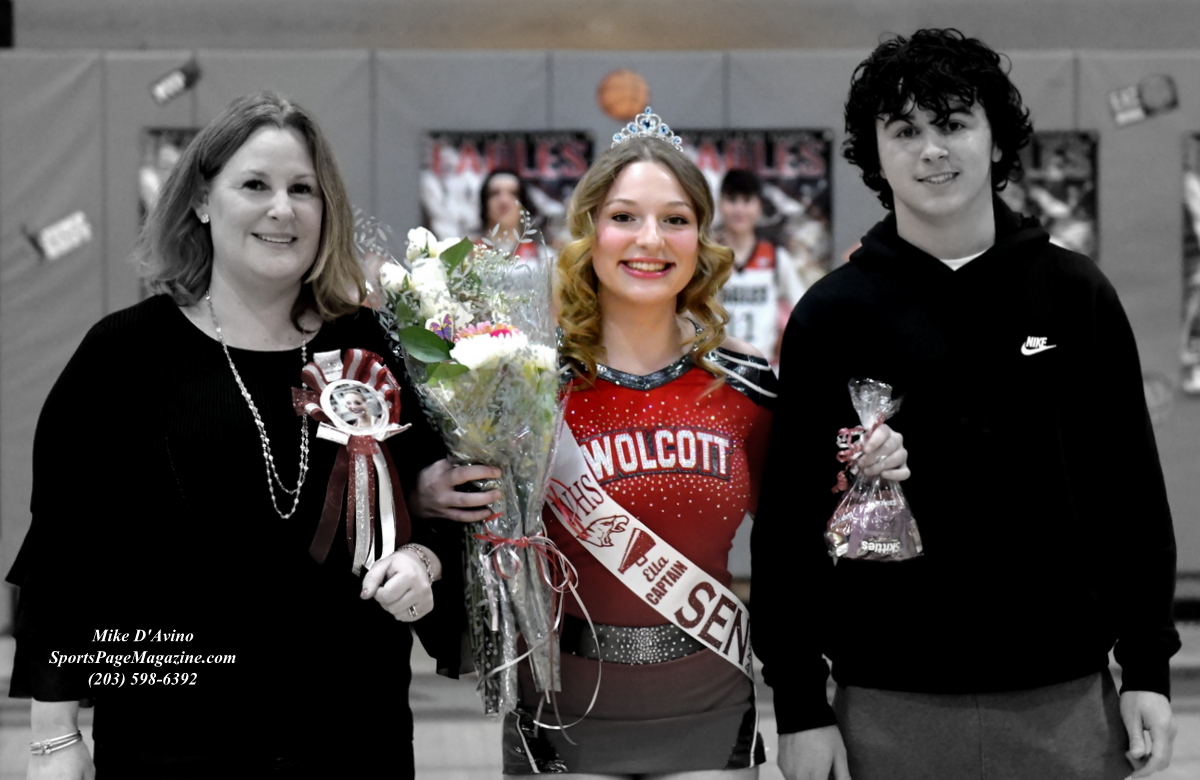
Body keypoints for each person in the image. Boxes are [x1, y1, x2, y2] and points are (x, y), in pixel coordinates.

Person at [7, 91, 501, 780]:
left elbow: (446, 506)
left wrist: (426, 560)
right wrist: (53, 737)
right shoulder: (123, 355)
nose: (282, 209)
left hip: (352, 734)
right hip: (172, 736)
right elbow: (65, 551)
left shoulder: (372, 349)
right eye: (255, 185)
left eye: (303, 189)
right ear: (202, 201)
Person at [751, 29, 1181, 780]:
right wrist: (798, 702)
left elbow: (1130, 493)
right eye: (904, 130)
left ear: (996, 140)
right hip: (884, 702)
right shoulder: (831, 315)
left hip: (1065, 699)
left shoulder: (1075, 294)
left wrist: (1146, 666)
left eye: (953, 123)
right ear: (875, 152)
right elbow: (788, 521)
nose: (931, 150)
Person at [503, 110, 911, 777]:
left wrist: (864, 472)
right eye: (625, 217)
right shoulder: (530, 384)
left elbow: (805, 534)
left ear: (700, 239)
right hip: (560, 716)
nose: (650, 239)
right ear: (590, 232)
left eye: (675, 219)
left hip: (711, 714)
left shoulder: (745, 382)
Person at [716, 169, 806, 366]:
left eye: (747, 200)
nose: (739, 209)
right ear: (720, 203)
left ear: (759, 205)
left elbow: (804, 306)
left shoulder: (776, 258)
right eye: (732, 200)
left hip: (764, 367)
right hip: (717, 368)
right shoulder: (708, 259)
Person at [479, 168, 541, 261]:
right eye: (494, 193)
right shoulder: (466, 256)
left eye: (513, 193)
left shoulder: (543, 257)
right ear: (484, 203)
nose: (504, 201)